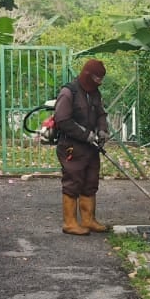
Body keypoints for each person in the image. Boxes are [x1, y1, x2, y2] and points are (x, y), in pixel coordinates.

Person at [54, 59, 110, 235]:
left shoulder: (95, 93)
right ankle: (70, 223)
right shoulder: (68, 92)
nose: (99, 82)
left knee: (90, 182)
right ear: (87, 75)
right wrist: (85, 134)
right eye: (97, 78)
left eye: (101, 79)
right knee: (73, 182)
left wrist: (102, 130)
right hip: (71, 146)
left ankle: (88, 220)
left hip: (91, 147)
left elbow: (101, 114)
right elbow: (62, 120)